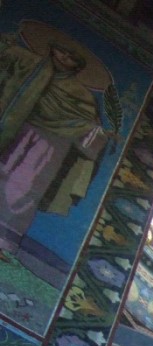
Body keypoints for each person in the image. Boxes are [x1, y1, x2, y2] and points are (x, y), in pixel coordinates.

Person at [0, 25, 117, 257]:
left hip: (48, 145)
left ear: (78, 65)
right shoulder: (28, 62)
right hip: (14, 128)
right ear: (52, 49)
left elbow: (86, 125)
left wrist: (101, 135)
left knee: (25, 188)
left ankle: (3, 241)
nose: (65, 57)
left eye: (72, 57)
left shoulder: (80, 94)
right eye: (62, 51)